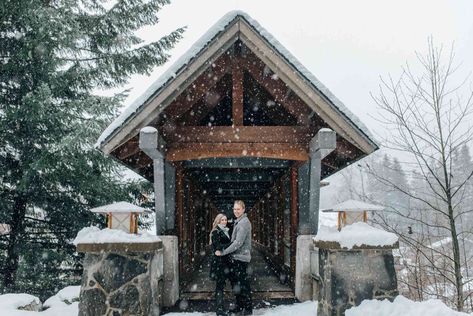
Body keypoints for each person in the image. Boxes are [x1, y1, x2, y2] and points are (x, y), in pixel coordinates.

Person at [215, 200, 252, 315]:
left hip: (241, 258)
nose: (236, 211)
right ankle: (240, 307)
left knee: (243, 284)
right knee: (237, 284)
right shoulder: (238, 222)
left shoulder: (244, 223)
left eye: (238, 209)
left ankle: (247, 309)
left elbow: (237, 243)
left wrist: (224, 252)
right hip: (236, 258)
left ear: (243, 209)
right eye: (234, 209)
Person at [210, 213, 232, 316]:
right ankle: (219, 310)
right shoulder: (215, 232)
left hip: (224, 261)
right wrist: (232, 244)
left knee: (221, 285)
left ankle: (221, 308)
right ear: (218, 221)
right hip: (219, 263)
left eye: (225, 220)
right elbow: (218, 246)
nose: (224, 222)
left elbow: (221, 248)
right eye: (222, 220)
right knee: (219, 286)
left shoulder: (226, 230)